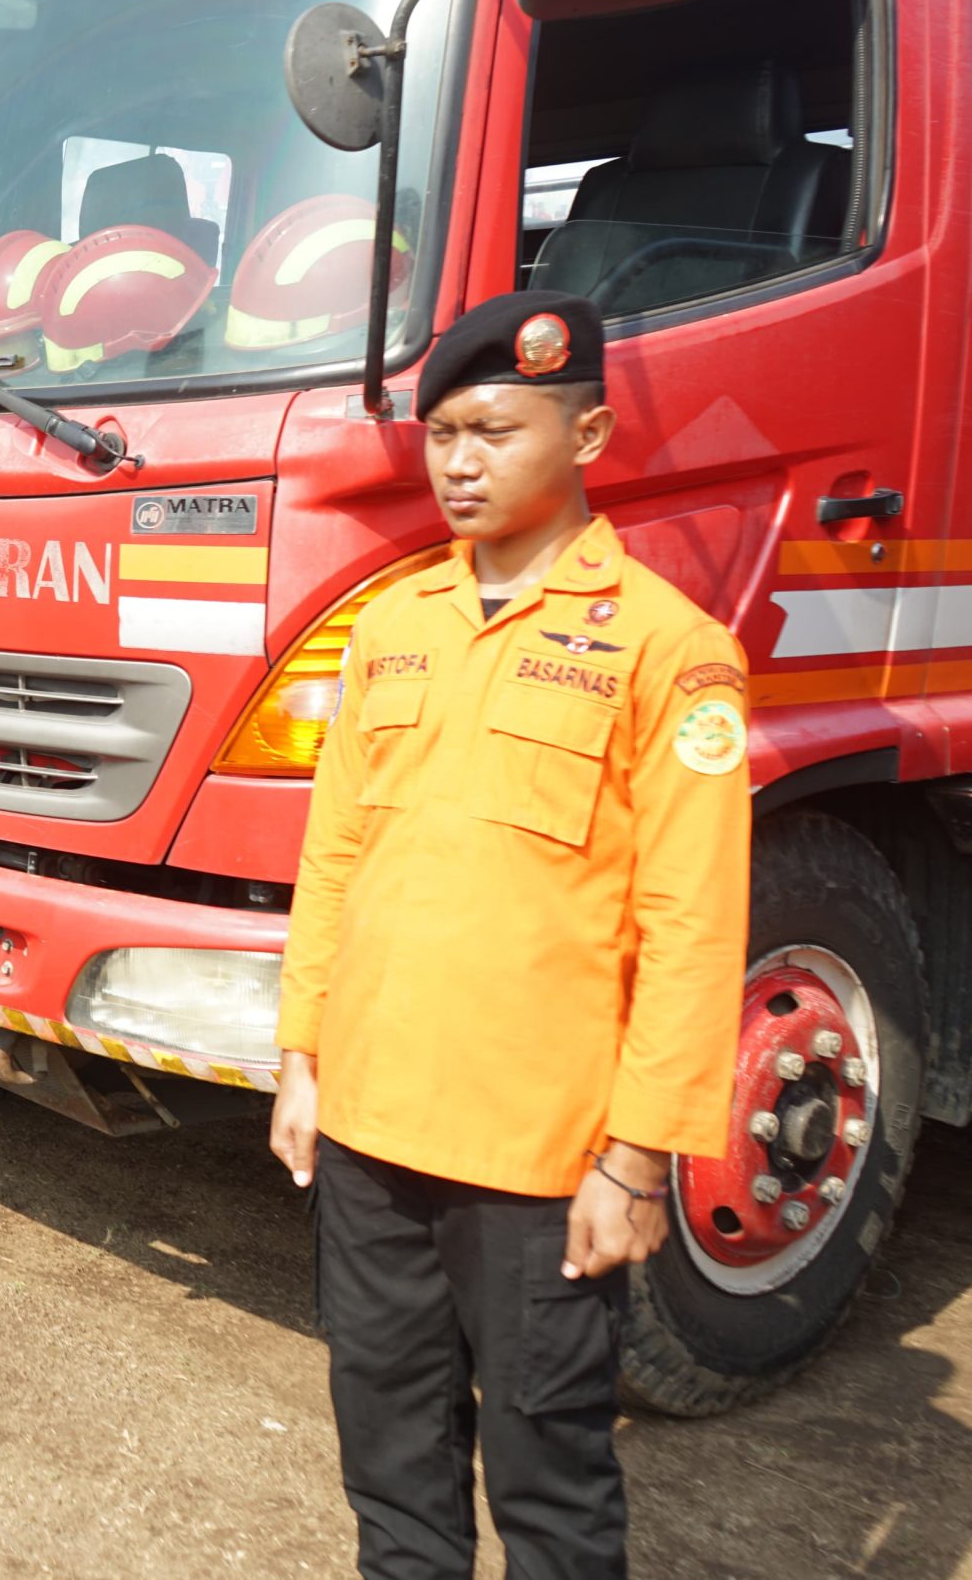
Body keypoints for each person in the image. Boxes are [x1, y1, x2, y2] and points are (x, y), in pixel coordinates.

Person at [270, 290, 749, 1579]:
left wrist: (637, 1157)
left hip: (538, 1160)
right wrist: (302, 1055)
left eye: (493, 429)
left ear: (586, 433)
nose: (460, 463)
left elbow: (694, 927)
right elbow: (335, 860)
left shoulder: (669, 651)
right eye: (440, 437)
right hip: (370, 1132)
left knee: (550, 1485)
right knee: (391, 1470)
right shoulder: (393, 626)